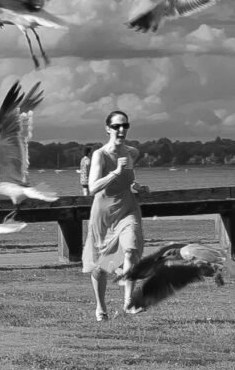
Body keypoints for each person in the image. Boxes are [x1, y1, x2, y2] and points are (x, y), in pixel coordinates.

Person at [82, 110, 149, 321]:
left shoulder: (132, 152)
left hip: (128, 209)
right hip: (103, 214)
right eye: (117, 126)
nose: (122, 130)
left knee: (131, 250)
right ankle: (101, 307)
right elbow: (92, 187)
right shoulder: (100, 155)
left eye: (125, 126)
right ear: (108, 129)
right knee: (100, 266)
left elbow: (128, 180)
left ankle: (128, 301)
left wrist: (137, 186)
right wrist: (115, 173)